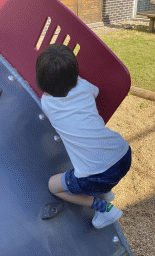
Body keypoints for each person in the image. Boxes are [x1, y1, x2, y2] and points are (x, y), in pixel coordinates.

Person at [36, 43, 132, 229]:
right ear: (75, 75)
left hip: (98, 174)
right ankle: (105, 191)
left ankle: (105, 208)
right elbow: (94, 93)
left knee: (53, 186)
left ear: (42, 82)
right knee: (98, 159)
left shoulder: (47, 103)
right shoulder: (84, 86)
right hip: (123, 153)